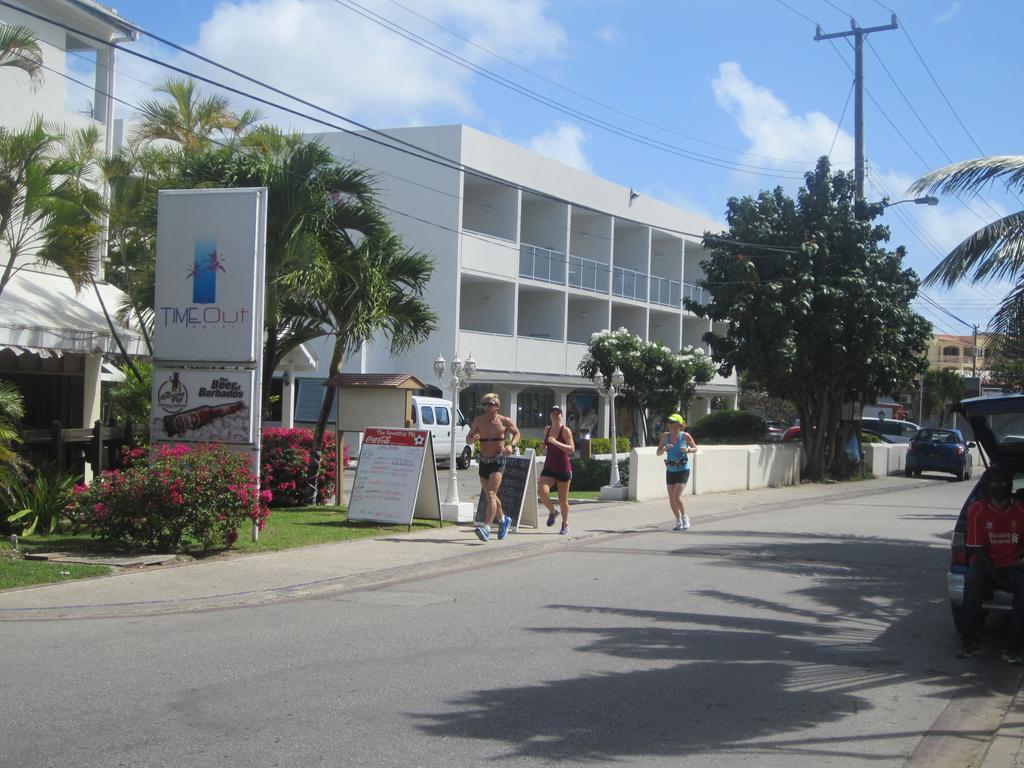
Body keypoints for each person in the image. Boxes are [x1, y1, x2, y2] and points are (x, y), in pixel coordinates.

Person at [958, 468, 1024, 661]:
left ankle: (1013, 649)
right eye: (994, 482)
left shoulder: (1020, 510)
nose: (1000, 485)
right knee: (972, 583)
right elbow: (978, 549)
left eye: (1004, 481)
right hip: (984, 563)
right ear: (986, 486)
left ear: (1010, 485)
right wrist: (998, 580)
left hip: (1012, 563)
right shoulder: (977, 510)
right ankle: (969, 643)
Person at [466, 392, 520, 542]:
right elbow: (468, 439)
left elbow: (517, 434)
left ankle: (487, 528)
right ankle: (503, 520)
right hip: (484, 461)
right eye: (485, 405)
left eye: (490, 405)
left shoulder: (504, 421)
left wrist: (511, 445)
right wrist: (473, 439)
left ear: (497, 406)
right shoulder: (479, 421)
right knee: (492, 497)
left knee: (490, 494)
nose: (487, 407)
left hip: (498, 461)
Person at [656, 413, 697, 531]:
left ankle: (685, 517)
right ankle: (678, 520)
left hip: (683, 469)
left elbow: (695, 448)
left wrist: (688, 449)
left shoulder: (685, 436)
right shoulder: (665, 436)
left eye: (673, 423)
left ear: (679, 424)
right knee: (671, 497)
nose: (671, 425)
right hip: (670, 470)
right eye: (669, 423)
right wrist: (664, 449)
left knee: (676, 496)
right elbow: (658, 452)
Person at [539, 405, 575, 535]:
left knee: (562, 500)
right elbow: (544, 447)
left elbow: (572, 449)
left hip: (563, 468)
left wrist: (556, 442)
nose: (555, 416)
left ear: (561, 416)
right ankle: (553, 512)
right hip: (549, 467)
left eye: (558, 413)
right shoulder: (547, 430)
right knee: (542, 492)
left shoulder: (565, 431)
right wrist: (543, 446)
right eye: (553, 413)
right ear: (550, 416)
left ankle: (565, 524)